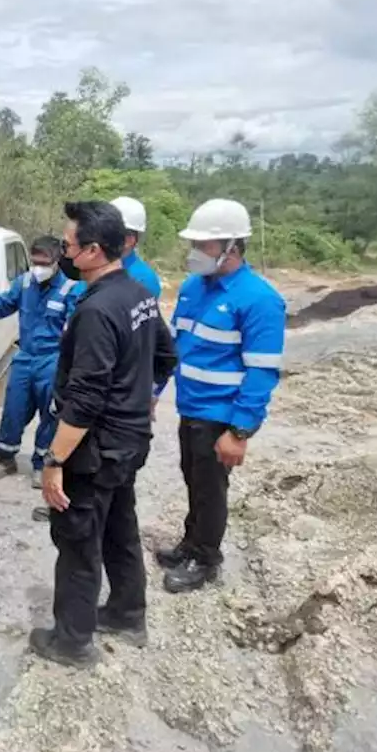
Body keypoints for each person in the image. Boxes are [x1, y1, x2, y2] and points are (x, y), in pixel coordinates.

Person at [29, 201, 177, 669]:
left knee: (77, 541)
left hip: (95, 449)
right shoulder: (138, 295)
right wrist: (140, 400)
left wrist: (54, 462)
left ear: (94, 250)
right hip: (129, 442)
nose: (64, 249)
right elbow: (165, 358)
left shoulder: (97, 310)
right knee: (118, 529)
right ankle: (127, 614)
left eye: (69, 243)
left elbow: (87, 399)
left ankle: (72, 642)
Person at [154, 198, 285, 594]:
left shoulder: (259, 299)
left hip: (221, 415)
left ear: (232, 246)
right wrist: (154, 391)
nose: (195, 253)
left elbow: (262, 371)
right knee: (193, 479)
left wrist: (240, 430)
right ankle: (190, 543)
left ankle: (206, 559)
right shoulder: (194, 287)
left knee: (211, 489)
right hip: (190, 406)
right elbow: (174, 348)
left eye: (203, 245)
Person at [0, 236, 79, 488]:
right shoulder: (25, 283)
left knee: (50, 415)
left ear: (57, 262)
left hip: (52, 362)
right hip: (25, 357)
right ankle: (6, 458)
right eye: (35, 262)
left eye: (44, 263)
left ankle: (41, 466)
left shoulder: (71, 291)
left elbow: (76, 330)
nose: (38, 267)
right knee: (13, 410)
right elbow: (2, 304)